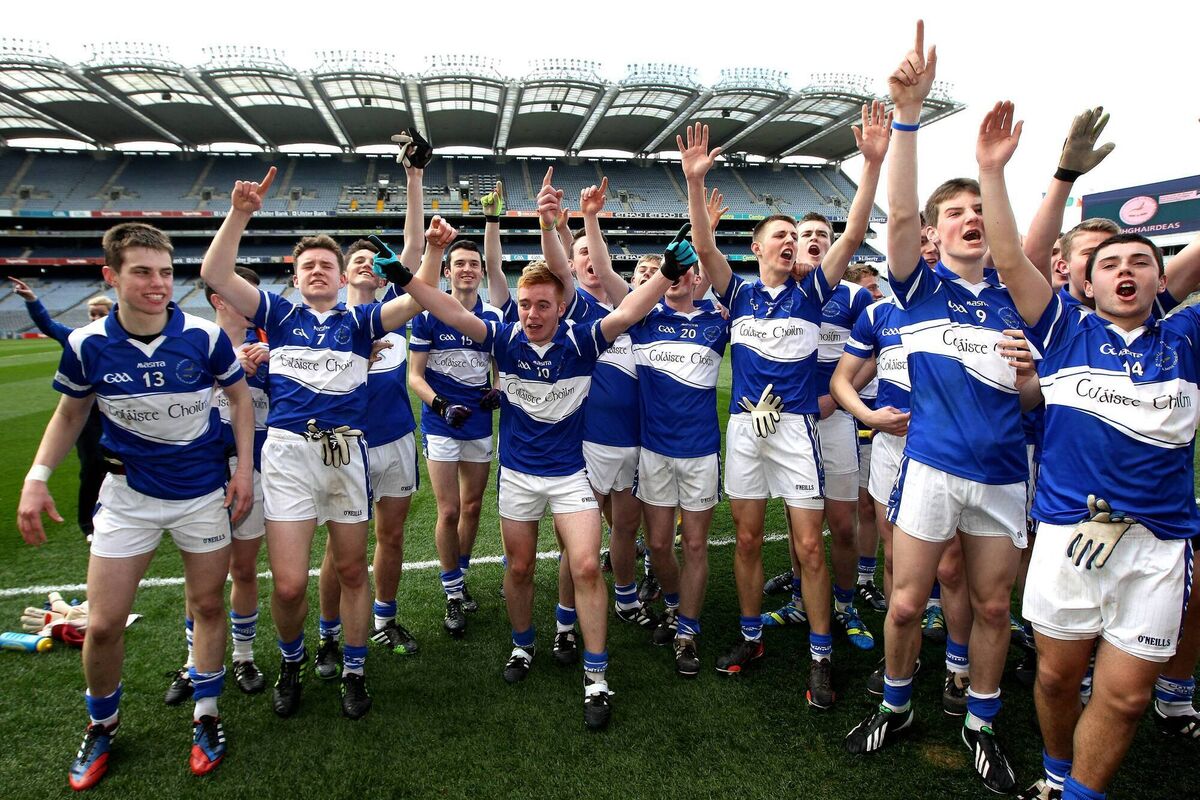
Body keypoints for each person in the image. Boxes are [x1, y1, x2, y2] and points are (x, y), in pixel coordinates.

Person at [976, 99, 1200, 800]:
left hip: (1156, 545)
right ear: (1085, 280)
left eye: (1142, 261)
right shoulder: (1063, 331)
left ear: (1162, 283)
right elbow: (1010, 257)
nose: (1126, 270)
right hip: (1069, 539)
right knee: (1055, 676)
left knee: (1128, 696)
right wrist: (1012, 173)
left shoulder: (1186, 339)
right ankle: (1054, 768)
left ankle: (1078, 795)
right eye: (1111, 264)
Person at [386, 191, 677, 730]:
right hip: (518, 476)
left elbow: (633, 308)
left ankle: (596, 676)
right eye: (525, 304)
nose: (533, 313)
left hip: (570, 476)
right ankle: (523, 647)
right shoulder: (503, 337)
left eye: (544, 304)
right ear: (516, 304)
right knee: (519, 568)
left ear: (560, 304)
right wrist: (406, 282)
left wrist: (669, 271)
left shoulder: (584, 340)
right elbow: (447, 308)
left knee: (587, 565)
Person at [842, 25, 1038, 795]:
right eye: (953, 212)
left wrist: (1029, 379)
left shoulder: (1024, 302)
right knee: (902, 603)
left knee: (992, 607)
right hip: (927, 468)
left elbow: (1031, 400)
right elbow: (892, 223)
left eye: (977, 210)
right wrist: (909, 117)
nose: (969, 219)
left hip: (999, 476)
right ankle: (898, 705)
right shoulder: (915, 289)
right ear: (933, 233)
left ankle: (981, 723)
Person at [199, 155, 442, 721]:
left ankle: (354, 670)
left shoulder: (361, 322)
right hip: (286, 454)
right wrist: (238, 216)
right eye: (307, 264)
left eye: (326, 265)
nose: (317, 272)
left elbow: (418, 293)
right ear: (295, 273)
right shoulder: (279, 315)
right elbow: (215, 273)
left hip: (344, 451)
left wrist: (429, 250)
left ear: (340, 275)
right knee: (287, 585)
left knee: (353, 570)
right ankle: (291, 661)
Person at [17, 222, 255, 788]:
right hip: (126, 498)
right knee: (101, 625)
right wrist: (37, 475)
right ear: (111, 276)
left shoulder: (203, 337)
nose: (157, 284)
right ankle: (102, 724)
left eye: (166, 273)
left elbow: (240, 400)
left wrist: (243, 468)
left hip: (202, 495)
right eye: (143, 272)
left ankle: (207, 715)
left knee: (207, 607)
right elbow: (71, 413)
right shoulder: (86, 344)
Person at [677, 106, 889, 710]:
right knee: (745, 540)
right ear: (757, 247)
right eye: (782, 237)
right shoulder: (737, 291)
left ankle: (821, 656)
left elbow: (849, 236)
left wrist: (870, 165)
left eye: (797, 238)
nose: (792, 243)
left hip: (796, 429)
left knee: (809, 546)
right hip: (746, 428)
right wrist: (694, 181)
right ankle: (751, 638)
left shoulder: (813, 289)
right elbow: (701, 244)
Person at [314, 158, 427, 675]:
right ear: (341, 273)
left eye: (370, 258)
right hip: (344, 445)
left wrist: (412, 179)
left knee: (393, 537)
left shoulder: (397, 310)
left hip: (398, 440)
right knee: (340, 550)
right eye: (355, 258)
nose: (365, 262)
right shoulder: (327, 323)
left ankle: (383, 619)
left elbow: (412, 251)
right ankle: (329, 633)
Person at [165, 266, 272, 705]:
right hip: (206, 471)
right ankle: (195, 663)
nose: (251, 301)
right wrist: (224, 377)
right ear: (219, 299)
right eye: (240, 293)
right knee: (204, 580)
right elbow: (175, 408)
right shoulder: (194, 346)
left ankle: (244, 655)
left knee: (244, 569)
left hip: (256, 468)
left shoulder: (272, 344)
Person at [628, 243, 730, 676]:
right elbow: (616, 286)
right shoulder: (643, 320)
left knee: (693, 544)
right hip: (654, 451)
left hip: (700, 452)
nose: (679, 279)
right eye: (673, 273)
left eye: (687, 272)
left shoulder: (717, 322)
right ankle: (673, 606)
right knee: (657, 545)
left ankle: (687, 631)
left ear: (696, 279)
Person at [408, 185, 506, 638]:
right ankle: (451, 593)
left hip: (480, 424)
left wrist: (498, 390)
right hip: (441, 422)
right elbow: (415, 375)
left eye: (474, 264)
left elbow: (501, 370)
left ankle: (459, 577)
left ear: (482, 273)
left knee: (472, 505)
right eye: (459, 264)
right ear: (447, 272)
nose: (467, 270)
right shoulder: (428, 315)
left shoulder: (494, 318)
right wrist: (441, 404)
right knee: (447, 511)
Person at [9, 277, 110, 541]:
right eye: (92, 314)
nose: (95, 318)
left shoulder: (123, 340)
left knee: (128, 464)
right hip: (87, 416)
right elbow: (49, 326)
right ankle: (89, 524)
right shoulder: (80, 339)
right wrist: (33, 301)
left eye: (101, 314)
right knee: (92, 467)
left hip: (119, 416)